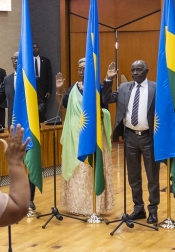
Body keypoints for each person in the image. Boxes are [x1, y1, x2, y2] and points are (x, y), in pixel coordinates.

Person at [102, 60, 160, 224]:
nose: (135, 73)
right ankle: (138, 208)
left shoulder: (155, 88)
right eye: (132, 70)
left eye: (139, 70)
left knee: (152, 176)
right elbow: (106, 98)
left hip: (149, 137)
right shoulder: (124, 88)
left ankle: (153, 210)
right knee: (133, 176)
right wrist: (108, 79)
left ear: (146, 70)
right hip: (130, 137)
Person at [55, 61, 115, 215]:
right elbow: (62, 106)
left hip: (93, 135)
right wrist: (59, 91)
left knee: (90, 168)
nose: (81, 72)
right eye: (79, 69)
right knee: (77, 170)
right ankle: (77, 205)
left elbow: (105, 109)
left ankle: (94, 205)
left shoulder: (97, 87)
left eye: (84, 69)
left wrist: (101, 113)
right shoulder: (73, 88)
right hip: (75, 135)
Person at [2, 52, 37, 211]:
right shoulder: (7, 79)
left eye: (18, 58)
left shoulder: (31, 78)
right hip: (13, 126)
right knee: (16, 161)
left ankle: (29, 199)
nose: (15, 61)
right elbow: (1, 101)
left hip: (29, 126)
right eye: (13, 59)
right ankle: (16, 196)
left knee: (30, 162)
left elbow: (40, 101)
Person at [33, 43, 53, 117]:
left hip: (43, 91)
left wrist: (49, 91)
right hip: (32, 88)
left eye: (36, 47)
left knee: (42, 111)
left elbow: (49, 76)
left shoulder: (45, 60)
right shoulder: (28, 62)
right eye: (33, 47)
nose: (35, 49)